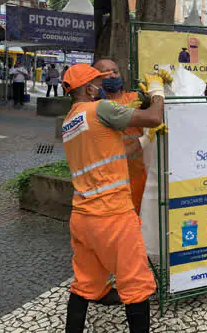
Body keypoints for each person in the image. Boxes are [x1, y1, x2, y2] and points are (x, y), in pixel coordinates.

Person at [61, 63, 168, 332]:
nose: (102, 84)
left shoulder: (70, 121)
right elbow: (155, 116)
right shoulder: (101, 108)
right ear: (88, 88)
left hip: (83, 218)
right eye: (98, 80)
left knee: (84, 285)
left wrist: (144, 141)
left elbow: (114, 150)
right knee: (136, 285)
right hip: (113, 217)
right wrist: (157, 90)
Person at [93, 59, 148, 215]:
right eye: (106, 73)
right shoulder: (92, 107)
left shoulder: (135, 99)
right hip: (108, 181)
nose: (112, 76)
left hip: (137, 176)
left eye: (115, 71)